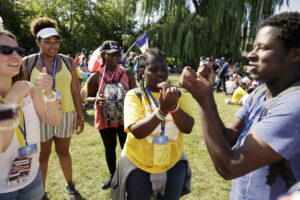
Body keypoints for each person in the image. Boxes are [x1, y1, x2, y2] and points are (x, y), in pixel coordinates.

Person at [180, 12, 300, 200]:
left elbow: (230, 165)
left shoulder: (295, 104)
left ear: (295, 54)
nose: (250, 55)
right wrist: (207, 94)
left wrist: (202, 99)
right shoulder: (260, 93)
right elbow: (227, 139)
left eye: (263, 48)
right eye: (253, 47)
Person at [111, 48, 194, 200]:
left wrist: (174, 106)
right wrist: (162, 110)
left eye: (163, 68)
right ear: (142, 72)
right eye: (153, 70)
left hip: (172, 162)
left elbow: (188, 128)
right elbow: (137, 131)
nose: (160, 73)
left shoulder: (178, 95)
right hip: (139, 163)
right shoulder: (135, 95)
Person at [22, 17, 84, 200]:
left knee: (64, 151)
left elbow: (74, 89)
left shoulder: (67, 61)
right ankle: (40, 191)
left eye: (56, 41)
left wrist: (80, 116)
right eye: (47, 42)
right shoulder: (28, 62)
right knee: (43, 156)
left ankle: (70, 185)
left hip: (66, 113)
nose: (53, 46)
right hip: (40, 115)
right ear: (38, 42)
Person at [0, 30, 61, 200]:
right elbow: (1, 145)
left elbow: (53, 120)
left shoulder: (27, 88)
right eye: (5, 50)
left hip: (32, 178)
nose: (16, 56)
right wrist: (11, 99)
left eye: (18, 51)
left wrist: (49, 93)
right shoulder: (19, 92)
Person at [87, 40, 136, 190]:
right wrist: (96, 99)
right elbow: (88, 98)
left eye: (117, 54)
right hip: (105, 120)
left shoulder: (127, 73)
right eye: (111, 54)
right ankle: (112, 175)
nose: (116, 57)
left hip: (124, 119)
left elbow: (137, 93)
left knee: (126, 148)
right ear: (103, 55)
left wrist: (131, 95)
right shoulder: (96, 77)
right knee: (109, 148)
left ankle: (127, 175)